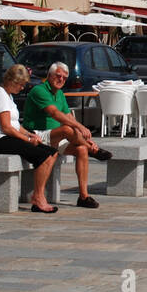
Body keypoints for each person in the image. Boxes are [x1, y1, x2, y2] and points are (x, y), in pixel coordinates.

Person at [22, 61, 112, 209]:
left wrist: (80, 131)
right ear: (49, 76)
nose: (61, 79)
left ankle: (83, 196)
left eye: (64, 77)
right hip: (37, 134)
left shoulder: (60, 94)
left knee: (81, 149)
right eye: (58, 76)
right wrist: (80, 127)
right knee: (67, 130)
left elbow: (68, 117)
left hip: (54, 137)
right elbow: (55, 113)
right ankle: (93, 149)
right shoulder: (39, 90)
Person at [0, 64, 58, 214]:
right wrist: (27, 140)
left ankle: (38, 195)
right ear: (12, 81)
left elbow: (15, 124)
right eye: (21, 85)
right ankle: (38, 198)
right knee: (44, 156)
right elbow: (6, 127)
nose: (22, 88)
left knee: (52, 153)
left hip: (7, 137)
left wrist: (29, 134)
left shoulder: (7, 95)